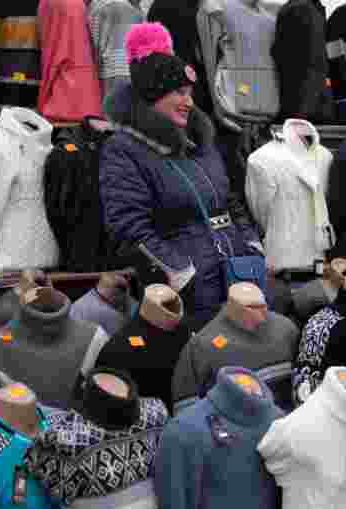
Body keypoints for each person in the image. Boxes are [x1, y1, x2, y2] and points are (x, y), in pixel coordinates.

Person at [100, 22, 265, 330]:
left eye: (190, 92)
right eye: (179, 92)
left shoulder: (200, 143)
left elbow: (229, 200)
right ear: (153, 95)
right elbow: (129, 228)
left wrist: (250, 245)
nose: (189, 102)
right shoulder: (123, 150)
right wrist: (181, 273)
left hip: (238, 277)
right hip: (188, 297)